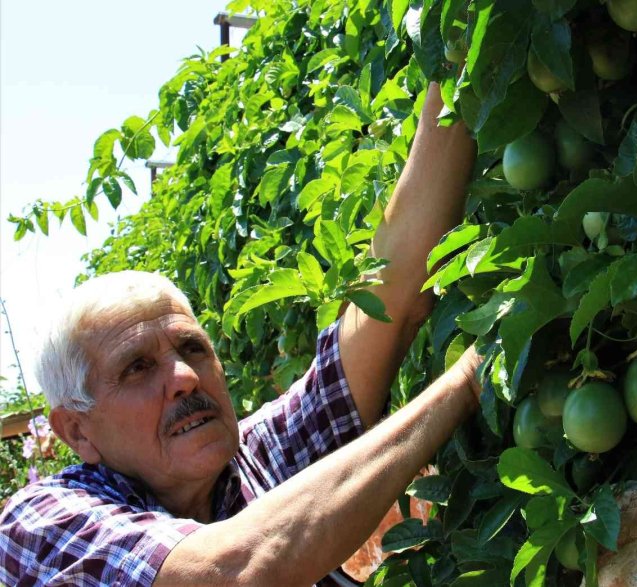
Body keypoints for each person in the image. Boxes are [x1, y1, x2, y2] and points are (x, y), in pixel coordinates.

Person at [0, 83, 480, 586]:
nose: (185, 377)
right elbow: (232, 573)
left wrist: (457, 71)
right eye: (137, 367)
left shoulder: (256, 460)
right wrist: (466, 382)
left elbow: (393, 297)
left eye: (192, 348)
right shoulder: (42, 522)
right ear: (77, 431)